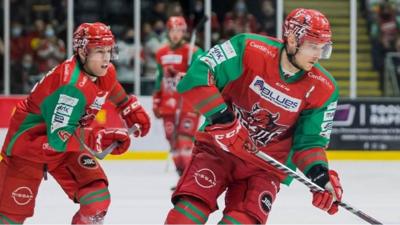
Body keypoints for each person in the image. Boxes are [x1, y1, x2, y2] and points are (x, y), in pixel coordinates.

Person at [164, 8, 343, 224]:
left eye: (323, 48)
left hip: (264, 168)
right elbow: (198, 74)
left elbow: (310, 142)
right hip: (218, 150)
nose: (318, 55)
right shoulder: (248, 48)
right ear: (293, 39)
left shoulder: (324, 88)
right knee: (186, 216)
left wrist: (321, 177)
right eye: (313, 46)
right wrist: (223, 120)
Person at [0, 22, 151, 224]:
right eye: (99, 51)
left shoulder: (103, 71)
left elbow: (110, 85)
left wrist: (126, 105)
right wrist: (98, 137)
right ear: (81, 51)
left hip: (67, 144)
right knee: (9, 218)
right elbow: (58, 140)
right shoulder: (71, 87)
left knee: (97, 200)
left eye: (109, 51)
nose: (106, 59)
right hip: (30, 147)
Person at [152, 16, 203, 183]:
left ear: (184, 32)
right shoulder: (161, 53)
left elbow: (201, 74)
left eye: (179, 31)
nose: (175, 34)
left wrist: (185, 74)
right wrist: (156, 100)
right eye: (173, 30)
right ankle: (182, 176)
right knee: (172, 141)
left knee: (185, 139)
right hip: (169, 104)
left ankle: (190, 177)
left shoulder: (194, 52)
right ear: (168, 31)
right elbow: (159, 78)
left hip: (188, 103)